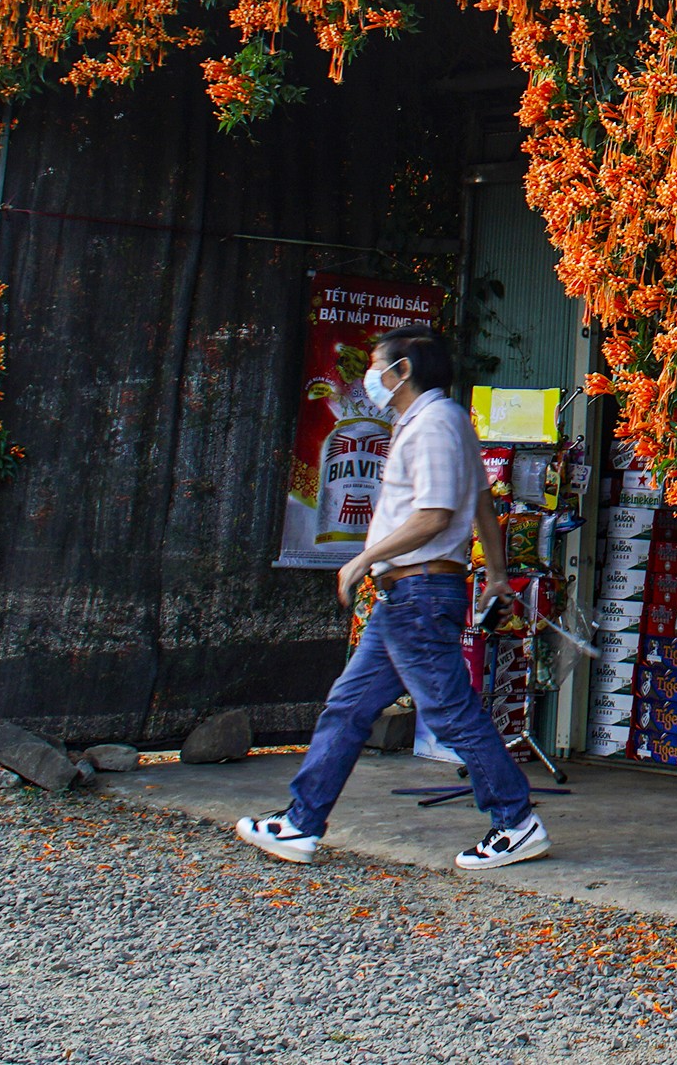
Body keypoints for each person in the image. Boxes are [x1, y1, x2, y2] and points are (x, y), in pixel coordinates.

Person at [235, 324, 549, 871]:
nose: (370, 378)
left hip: (418, 590)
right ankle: (301, 823)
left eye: (377, 366)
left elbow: (434, 516)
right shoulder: (442, 422)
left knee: (450, 712)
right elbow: (479, 504)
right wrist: (496, 576)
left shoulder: (432, 426)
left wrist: (362, 558)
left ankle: (516, 821)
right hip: (408, 594)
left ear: (403, 371)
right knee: (348, 706)